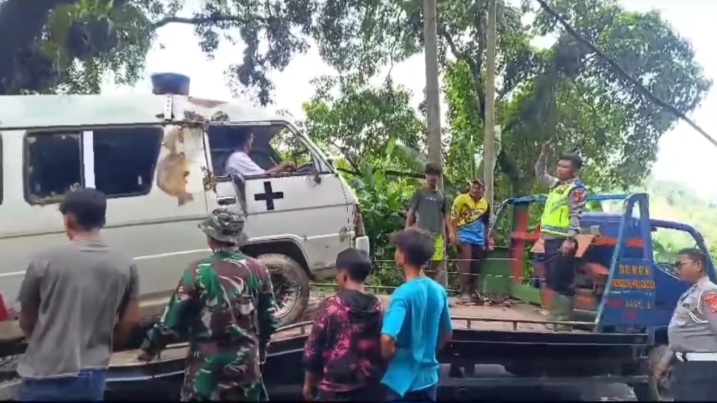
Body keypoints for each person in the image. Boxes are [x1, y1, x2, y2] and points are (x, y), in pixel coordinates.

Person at [137, 208, 278, 401]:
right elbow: (268, 320)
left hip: (206, 367)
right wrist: (259, 352)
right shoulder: (258, 269)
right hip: (246, 365)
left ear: (210, 238)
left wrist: (150, 349)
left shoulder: (197, 271)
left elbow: (171, 322)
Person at [16, 188, 140, 401]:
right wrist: (107, 343)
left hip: (45, 375)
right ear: (102, 219)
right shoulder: (126, 264)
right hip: (93, 376)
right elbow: (130, 320)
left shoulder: (44, 261)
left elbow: (27, 319)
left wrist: (44, 340)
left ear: (70, 221)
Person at [302, 248, 384, 401]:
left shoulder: (331, 306)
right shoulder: (377, 306)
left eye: (338, 273)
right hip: (369, 388)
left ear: (345, 275)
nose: (336, 277)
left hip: (335, 390)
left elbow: (313, 350)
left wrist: (308, 383)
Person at [381, 229, 453, 402]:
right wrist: (428, 351)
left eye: (397, 249)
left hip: (402, 382)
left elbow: (386, 338)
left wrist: (389, 356)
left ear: (404, 256)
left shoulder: (403, 294)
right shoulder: (439, 291)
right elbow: (447, 333)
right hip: (429, 379)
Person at [534, 141, 587, 330]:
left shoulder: (576, 189)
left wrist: (570, 239)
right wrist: (544, 154)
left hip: (563, 239)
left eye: (565, 167)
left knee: (564, 280)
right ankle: (554, 317)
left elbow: (576, 215)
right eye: (559, 165)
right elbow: (540, 173)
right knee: (554, 278)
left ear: (574, 172)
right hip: (550, 237)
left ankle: (563, 322)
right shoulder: (557, 185)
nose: (560, 169)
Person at [655, 248, 717, 401]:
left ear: (698, 265)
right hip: (686, 368)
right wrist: (665, 361)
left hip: (703, 370)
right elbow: (681, 331)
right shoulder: (691, 293)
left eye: (680, 264)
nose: (676, 269)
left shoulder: (709, 293)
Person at [405, 163, 456, 284]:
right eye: (430, 175)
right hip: (421, 234)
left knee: (436, 263)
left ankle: (428, 284)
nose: (432, 177)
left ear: (438, 177)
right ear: (426, 176)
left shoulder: (442, 196)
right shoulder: (420, 193)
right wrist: (406, 229)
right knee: (419, 261)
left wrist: (451, 232)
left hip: (437, 234)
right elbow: (411, 212)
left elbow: (446, 215)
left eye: (435, 175)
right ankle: (418, 284)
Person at [451, 179, 491, 304]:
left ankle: (474, 291)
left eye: (478, 187)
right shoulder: (461, 199)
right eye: (474, 186)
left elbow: (486, 223)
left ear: (483, 190)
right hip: (464, 235)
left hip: (478, 238)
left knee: (476, 265)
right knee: (466, 262)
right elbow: (453, 218)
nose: (475, 189)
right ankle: (464, 292)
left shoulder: (485, 204)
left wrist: (486, 240)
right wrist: (454, 235)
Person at [225, 131, 295, 176]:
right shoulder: (238, 157)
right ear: (247, 140)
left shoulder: (235, 157)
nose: (253, 141)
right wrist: (282, 166)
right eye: (252, 137)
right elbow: (263, 176)